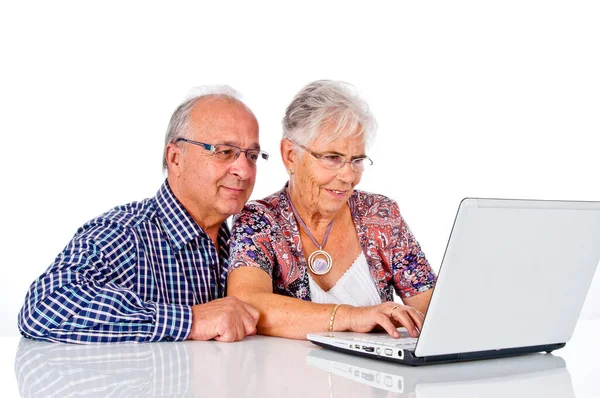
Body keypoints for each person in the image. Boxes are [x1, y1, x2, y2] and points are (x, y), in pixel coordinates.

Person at [18, 86, 268, 343]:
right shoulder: (125, 233)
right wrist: (191, 321)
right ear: (175, 158)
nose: (245, 171)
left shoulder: (250, 240)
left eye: (251, 156)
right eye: (224, 152)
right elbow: (44, 308)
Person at [227, 80, 436, 340]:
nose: (348, 176)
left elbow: (435, 311)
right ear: (290, 155)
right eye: (332, 158)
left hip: (378, 379)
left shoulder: (381, 215)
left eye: (356, 160)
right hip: (290, 379)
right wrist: (352, 316)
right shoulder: (260, 220)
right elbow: (247, 302)